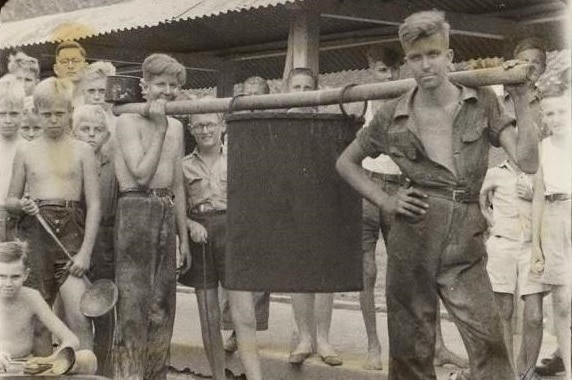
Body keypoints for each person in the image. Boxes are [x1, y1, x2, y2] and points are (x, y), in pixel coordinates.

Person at [336, 10, 538, 380]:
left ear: (448, 56)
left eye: (433, 54)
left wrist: (522, 98)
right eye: (416, 57)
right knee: (411, 352)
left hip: (465, 240)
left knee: (490, 345)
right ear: (408, 60)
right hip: (412, 237)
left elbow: (528, 161)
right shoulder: (392, 114)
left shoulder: (481, 101)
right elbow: (346, 163)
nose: (425, 65)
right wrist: (386, 200)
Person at [5, 77, 101, 353]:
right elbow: (11, 200)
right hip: (35, 234)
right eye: (46, 114)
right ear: (35, 112)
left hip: (71, 235)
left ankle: (86, 372)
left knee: (79, 316)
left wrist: (85, 252)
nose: (54, 120)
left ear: (70, 112)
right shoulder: (25, 149)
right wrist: (22, 205)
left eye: (60, 114)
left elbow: (94, 205)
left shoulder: (83, 150)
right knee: (39, 320)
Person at [113, 53, 191, 380]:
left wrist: (183, 236)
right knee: (133, 309)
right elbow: (142, 176)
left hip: (164, 210)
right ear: (144, 86)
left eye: (174, 85)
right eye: (161, 84)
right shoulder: (127, 121)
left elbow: (176, 184)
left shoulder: (175, 125)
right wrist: (158, 129)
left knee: (162, 309)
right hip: (135, 209)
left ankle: (155, 376)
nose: (168, 91)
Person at [287, 67, 342, 367]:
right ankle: (304, 338)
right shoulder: (278, 125)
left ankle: (323, 338)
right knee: (299, 275)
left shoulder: (326, 126)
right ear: (288, 90)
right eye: (296, 86)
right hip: (291, 207)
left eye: (308, 87)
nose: (302, 92)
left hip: (321, 205)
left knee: (323, 276)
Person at [480, 157, 547, 376]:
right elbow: (478, 198)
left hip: (531, 246)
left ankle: (526, 371)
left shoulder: (539, 171)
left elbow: (554, 203)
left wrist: (536, 195)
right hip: (502, 245)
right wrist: (491, 221)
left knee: (535, 316)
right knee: (503, 311)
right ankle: (508, 372)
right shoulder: (495, 172)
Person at [221, 76, 271, 354]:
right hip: (235, 203)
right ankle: (234, 330)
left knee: (260, 270)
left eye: (257, 96)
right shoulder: (232, 130)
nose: (251, 102)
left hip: (263, 204)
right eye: (247, 96)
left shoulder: (272, 127)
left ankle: (252, 330)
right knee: (236, 269)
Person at [0, 240, 96, 375]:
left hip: (24, 368)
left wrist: (48, 361)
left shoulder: (31, 297)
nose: (8, 284)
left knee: (88, 358)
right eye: (2, 276)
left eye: (15, 277)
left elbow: (71, 340)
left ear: (25, 275)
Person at [530, 88, 572, 380]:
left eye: (562, 111)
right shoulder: (542, 148)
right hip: (554, 220)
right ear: (543, 117)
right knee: (562, 301)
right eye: (550, 113)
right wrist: (536, 245)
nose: (556, 118)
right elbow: (538, 197)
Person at [72, 104, 116, 377]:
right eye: (84, 129)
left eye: (98, 130)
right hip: (75, 239)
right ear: (73, 132)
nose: (91, 135)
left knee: (105, 310)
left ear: (107, 135)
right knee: (76, 310)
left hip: (106, 243)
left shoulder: (113, 163)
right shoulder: (69, 161)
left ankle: (105, 370)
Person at [0, 74, 25, 243]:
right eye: (2, 114)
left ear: (23, 113)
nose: (7, 120)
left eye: (14, 114)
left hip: (17, 221)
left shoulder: (28, 147)